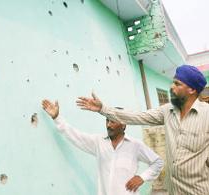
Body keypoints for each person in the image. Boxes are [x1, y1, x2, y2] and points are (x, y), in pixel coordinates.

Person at [76, 64, 209, 195]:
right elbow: (137, 117)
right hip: (173, 190)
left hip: (197, 190)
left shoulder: (206, 115)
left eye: (177, 84)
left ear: (191, 90)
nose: (171, 87)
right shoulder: (167, 111)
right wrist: (103, 109)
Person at [42, 99, 163, 195]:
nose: (109, 125)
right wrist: (57, 118)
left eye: (113, 121)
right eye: (107, 121)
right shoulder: (98, 142)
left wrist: (142, 177)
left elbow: (158, 162)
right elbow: (75, 136)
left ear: (124, 125)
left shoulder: (135, 145)